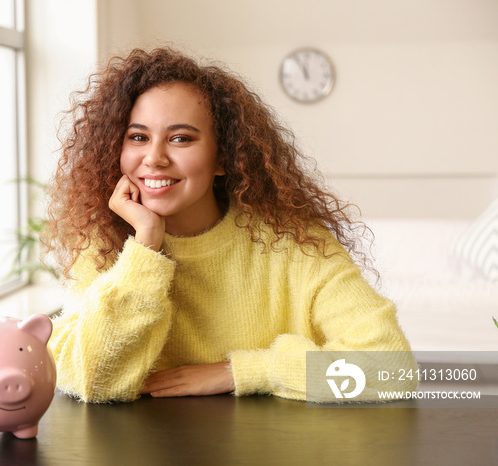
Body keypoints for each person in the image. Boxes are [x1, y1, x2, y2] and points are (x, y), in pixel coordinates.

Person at [43, 47, 416, 403]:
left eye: (181, 138)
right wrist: (145, 249)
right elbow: (89, 378)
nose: (154, 158)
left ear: (223, 156)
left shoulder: (295, 244)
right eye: (138, 137)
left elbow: (391, 368)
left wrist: (243, 372)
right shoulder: (105, 245)